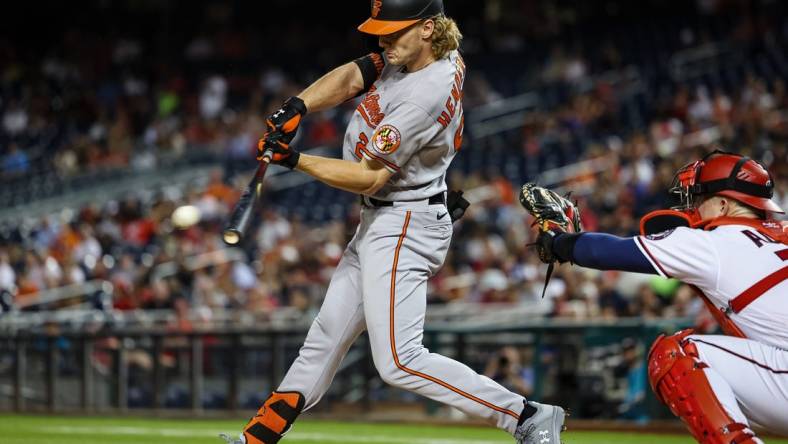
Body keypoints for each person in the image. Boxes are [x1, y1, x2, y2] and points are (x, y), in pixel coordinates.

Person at [222, 1, 566, 444]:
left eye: (393, 32)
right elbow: (356, 73)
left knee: (399, 362)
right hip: (387, 217)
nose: (383, 41)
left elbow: (370, 175)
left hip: (405, 219)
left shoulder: (427, 92)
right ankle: (257, 439)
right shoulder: (426, 52)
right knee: (325, 337)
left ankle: (525, 415)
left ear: (426, 28)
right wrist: (298, 105)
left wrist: (295, 159)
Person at [520, 150, 788, 443]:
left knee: (679, 354)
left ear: (723, 204)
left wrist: (559, 241)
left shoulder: (716, 242)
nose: (694, 206)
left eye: (700, 198)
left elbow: (607, 251)